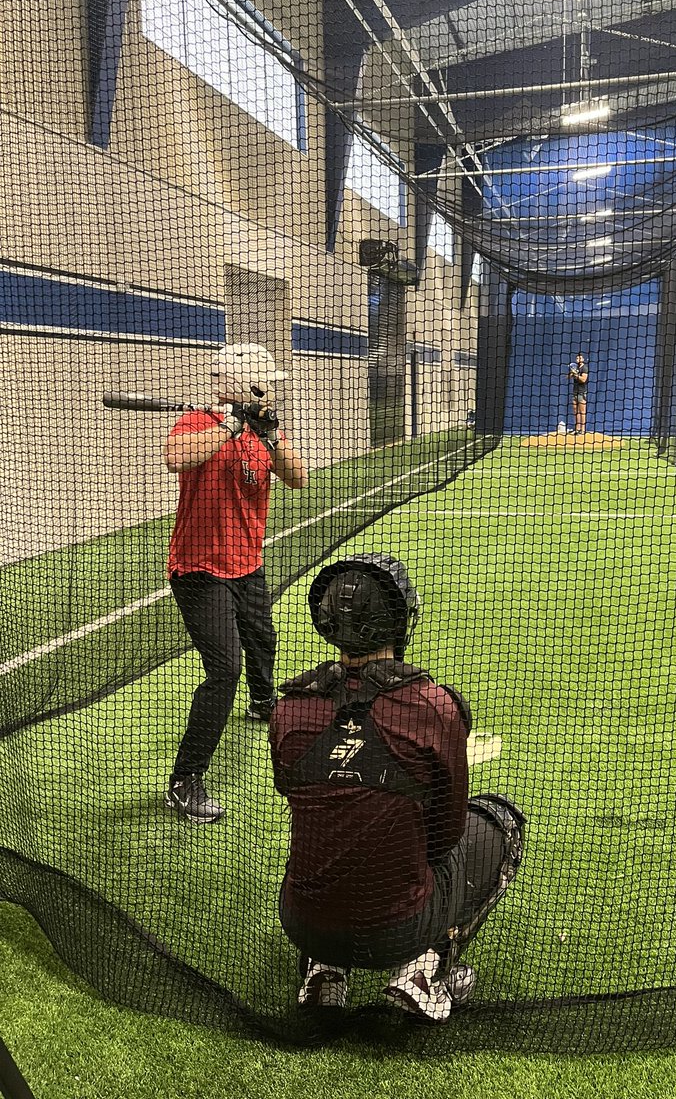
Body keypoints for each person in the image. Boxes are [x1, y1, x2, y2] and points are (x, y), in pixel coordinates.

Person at [269, 554, 525, 1022]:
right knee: (501, 822)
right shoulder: (434, 707)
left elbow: (294, 791)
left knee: (327, 826)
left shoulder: (290, 709)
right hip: (398, 929)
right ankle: (427, 968)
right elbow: (446, 834)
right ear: (400, 621)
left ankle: (323, 969)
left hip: (300, 921)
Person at [164, 342, 306, 824]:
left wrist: (270, 434)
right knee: (225, 670)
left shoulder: (263, 434)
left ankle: (264, 703)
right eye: (262, 385)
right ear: (240, 386)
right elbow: (175, 458)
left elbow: (299, 478)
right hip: (200, 569)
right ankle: (185, 781)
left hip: (248, 563)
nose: (270, 393)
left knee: (263, 638)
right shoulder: (198, 424)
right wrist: (230, 425)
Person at [568, 353, 588, 434]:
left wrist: (576, 375)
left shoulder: (584, 368)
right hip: (575, 392)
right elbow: (568, 377)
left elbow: (583, 380)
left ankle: (583, 430)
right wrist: (572, 372)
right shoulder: (575, 367)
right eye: (577, 358)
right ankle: (577, 429)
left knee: (582, 411)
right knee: (576, 411)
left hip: (581, 393)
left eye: (579, 358)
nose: (578, 359)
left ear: (583, 359)